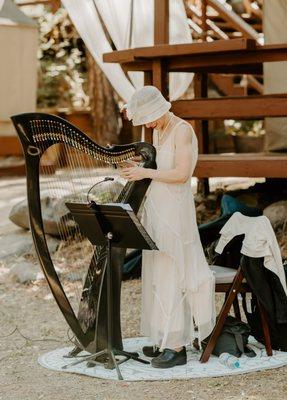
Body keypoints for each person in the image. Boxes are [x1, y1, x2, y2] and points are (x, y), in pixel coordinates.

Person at [120, 86, 215, 369]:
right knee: (158, 271)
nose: (147, 124)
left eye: (148, 118)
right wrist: (137, 165)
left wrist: (145, 172)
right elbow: (160, 166)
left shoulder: (182, 130)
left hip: (176, 212)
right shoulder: (158, 131)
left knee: (174, 271)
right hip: (157, 209)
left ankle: (177, 345)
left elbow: (182, 174)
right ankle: (163, 335)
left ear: (161, 109)